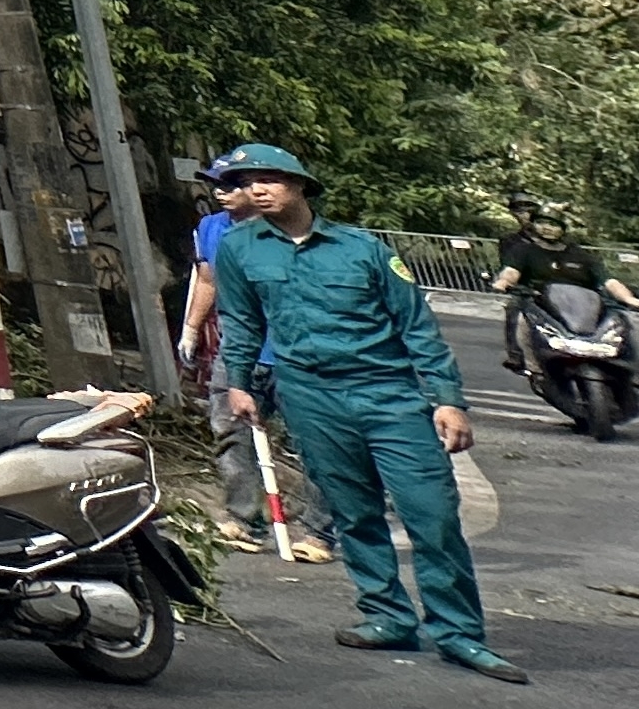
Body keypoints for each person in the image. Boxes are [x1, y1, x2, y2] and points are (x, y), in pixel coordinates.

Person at [211, 142, 526, 685]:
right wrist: (239, 385)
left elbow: (417, 326)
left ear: (302, 184)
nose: (256, 189)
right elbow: (242, 322)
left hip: (389, 393)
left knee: (433, 515)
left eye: (270, 178)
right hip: (309, 396)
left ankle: (459, 634)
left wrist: (448, 398)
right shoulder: (240, 250)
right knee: (353, 513)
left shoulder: (363, 249)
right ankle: (387, 617)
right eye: (247, 181)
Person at [180, 168, 338, 560]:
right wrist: (191, 329)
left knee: (316, 443)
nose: (223, 192)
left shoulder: (295, 234)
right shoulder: (212, 228)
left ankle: (319, 532)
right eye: (217, 184)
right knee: (231, 433)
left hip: (295, 356)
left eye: (234, 184)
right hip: (239, 354)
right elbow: (207, 280)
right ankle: (242, 518)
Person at [492, 201, 639, 373]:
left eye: (553, 224)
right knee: (516, 307)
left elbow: (609, 281)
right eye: (542, 223)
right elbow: (511, 272)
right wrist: (504, 282)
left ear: (562, 229)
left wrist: (629, 298)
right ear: (534, 225)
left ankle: (635, 369)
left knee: (620, 320)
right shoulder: (523, 250)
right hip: (539, 301)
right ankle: (522, 359)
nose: (547, 228)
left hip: (584, 303)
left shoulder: (580, 254)